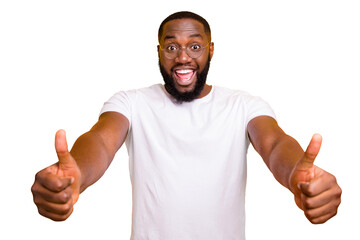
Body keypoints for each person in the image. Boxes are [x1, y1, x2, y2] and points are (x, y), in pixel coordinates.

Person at [31, 11, 342, 239]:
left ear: (210, 50)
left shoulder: (243, 105)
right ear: (159, 52)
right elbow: (100, 141)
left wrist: (295, 177)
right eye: (171, 47)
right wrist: (78, 176)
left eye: (195, 46)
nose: (183, 57)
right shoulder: (131, 103)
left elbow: (275, 144)